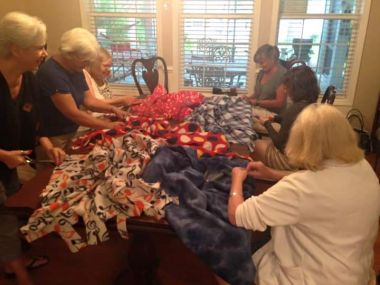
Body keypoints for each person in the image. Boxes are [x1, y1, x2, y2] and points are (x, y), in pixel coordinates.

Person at [228, 103, 380, 284]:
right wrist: (272, 173)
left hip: (314, 278)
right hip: (355, 274)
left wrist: (237, 179)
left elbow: (238, 215)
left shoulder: (300, 188)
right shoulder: (363, 167)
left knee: (228, 258)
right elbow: (321, 183)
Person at [0, 11, 65, 285]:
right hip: (3, 159)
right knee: (4, 216)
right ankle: (21, 275)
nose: (43, 53)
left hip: (12, 162)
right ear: (15, 49)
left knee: (14, 210)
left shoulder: (29, 78)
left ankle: (12, 262)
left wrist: (48, 145)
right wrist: (1, 156)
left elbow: (35, 122)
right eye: (38, 47)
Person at [36, 28, 126, 150]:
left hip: (74, 130)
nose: (87, 64)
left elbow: (89, 101)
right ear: (70, 55)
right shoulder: (51, 74)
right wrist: (109, 125)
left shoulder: (75, 69)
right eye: (85, 61)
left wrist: (112, 109)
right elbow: (74, 114)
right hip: (55, 137)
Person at [253, 65, 319, 170]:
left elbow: (279, 144)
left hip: (292, 162)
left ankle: (265, 178)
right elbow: (292, 122)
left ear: (296, 88)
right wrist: (275, 118)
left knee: (254, 145)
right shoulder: (312, 105)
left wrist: (266, 124)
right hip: (306, 156)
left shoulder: (294, 109)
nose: (285, 90)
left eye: (287, 86)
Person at [245, 44, 287, 114]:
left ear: (272, 59)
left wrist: (257, 102)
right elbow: (258, 94)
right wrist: (248, 99)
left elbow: (280, 102)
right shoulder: (261, 73)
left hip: (274, 117)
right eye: (259, 63)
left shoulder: (282, 75)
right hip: (259, 112)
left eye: (262, 62)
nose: (260, 66)